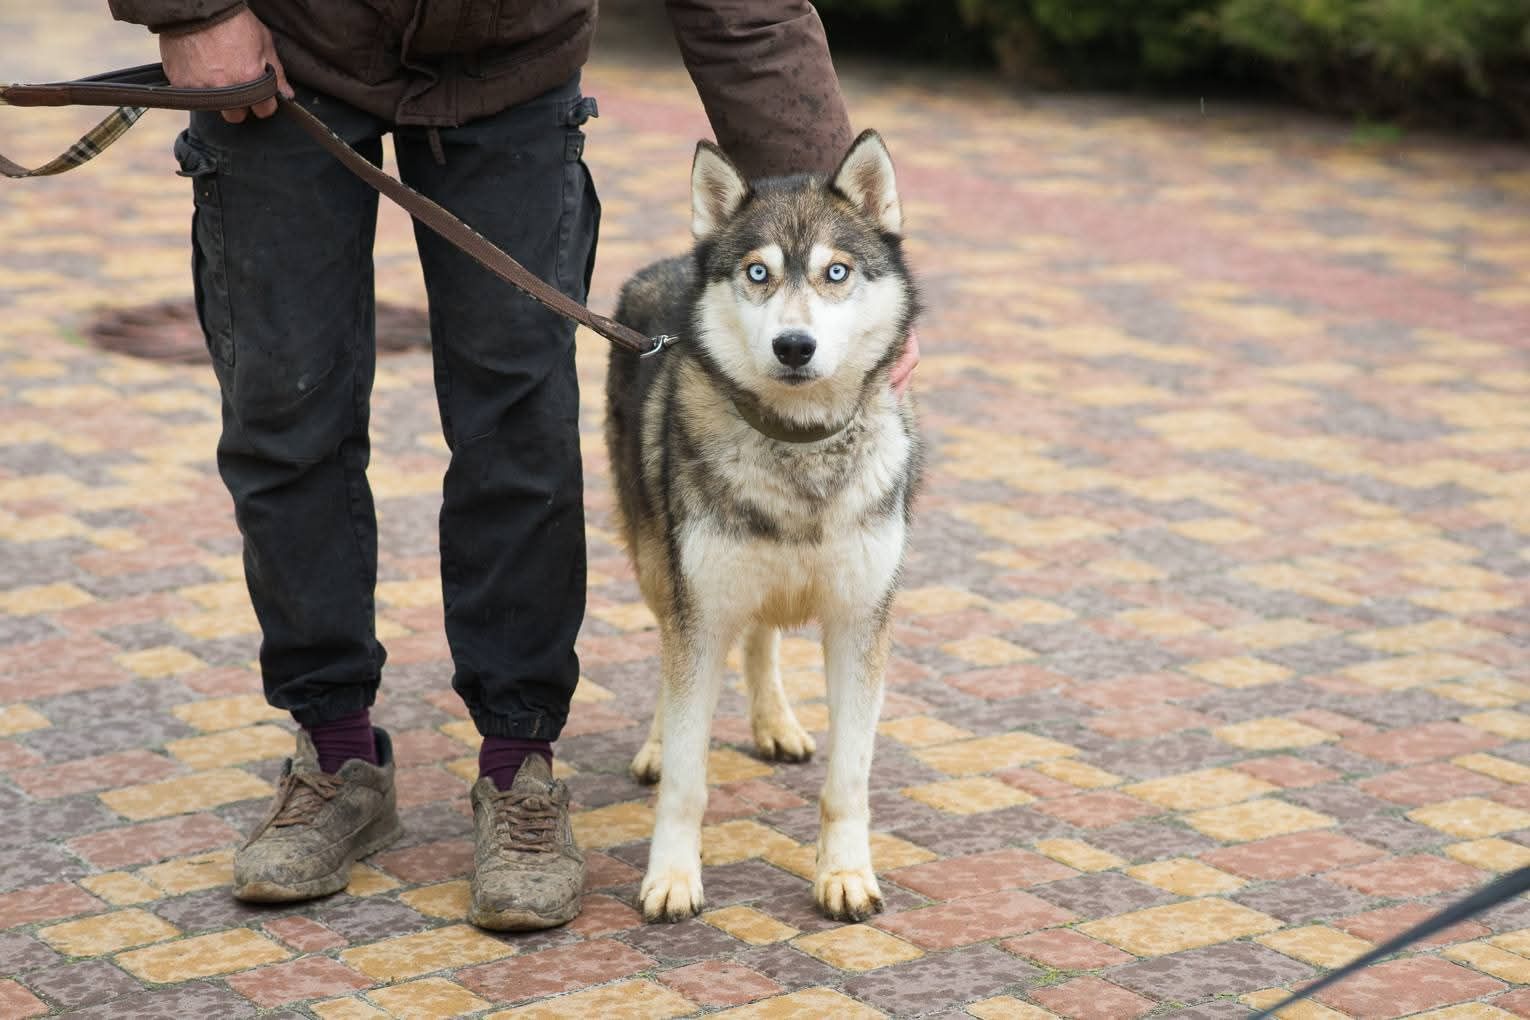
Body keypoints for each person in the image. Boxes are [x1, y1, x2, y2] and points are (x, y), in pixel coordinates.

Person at [108, 0, 919, 930]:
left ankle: (518, 765)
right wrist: (192, 8)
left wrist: (840, 227)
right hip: (289, 40)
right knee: (285, 408)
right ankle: (334, 753)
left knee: (521, 424)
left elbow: (748, 12)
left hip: (510, 64)